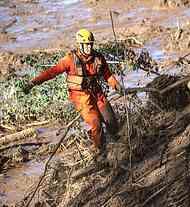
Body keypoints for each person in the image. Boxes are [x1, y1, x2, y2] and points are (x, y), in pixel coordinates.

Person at [22, 29, 123, 159]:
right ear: (79, 44)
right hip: (81, 98)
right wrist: (33, 83)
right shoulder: (70, 59)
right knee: (96, 124)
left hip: (97, 94)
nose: (89, 47)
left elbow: (107, 75)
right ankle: (101, 154)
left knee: (112, 122)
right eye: (86, 44)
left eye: (90, 44)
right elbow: (52, 72)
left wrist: (117, 86)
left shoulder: (98, 58)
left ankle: (120, 147)